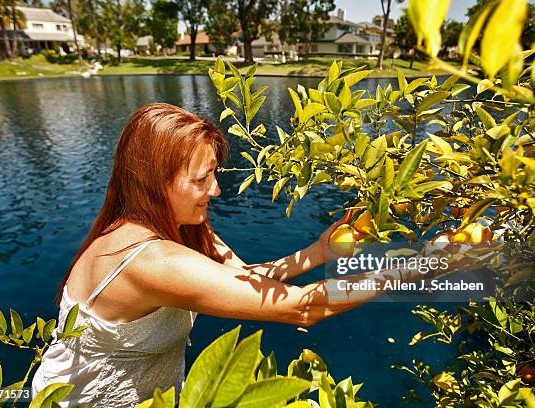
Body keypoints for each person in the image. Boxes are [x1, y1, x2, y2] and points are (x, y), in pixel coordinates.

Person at [31, 103, 425, 407]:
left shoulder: (177, 227)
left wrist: (318, 251)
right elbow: (304, 308)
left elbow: (246, 280)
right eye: (202, 179)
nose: (216, 190)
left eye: (215, 173)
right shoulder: (152, 261)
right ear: (153, 183)